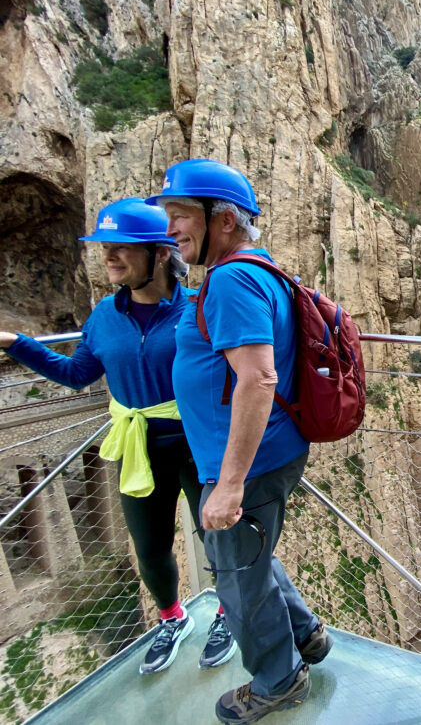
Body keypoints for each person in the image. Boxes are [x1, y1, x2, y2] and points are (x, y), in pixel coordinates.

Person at [0, 198, 236, 674]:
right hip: (138, 449)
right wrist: (16, 344)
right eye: (105, 248)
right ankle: (172, 618)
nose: (108, 258)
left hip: (197, 445)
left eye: (121, 248)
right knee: (149, 549)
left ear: (160, 254)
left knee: (219, 544)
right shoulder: (104, 316)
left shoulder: (197, 307)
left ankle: (229, 614)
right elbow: (77, 373)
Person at [150, 160, 332, 724]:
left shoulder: (231, 280)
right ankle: (307, 637)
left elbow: (258, 378)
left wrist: (228, 486)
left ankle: (277, 681)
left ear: (223, 220)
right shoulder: (256, 270)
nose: (171, 228)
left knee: (235, 576)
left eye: (182, 215)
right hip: (263, 454)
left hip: (248, 463)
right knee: (250, 555)